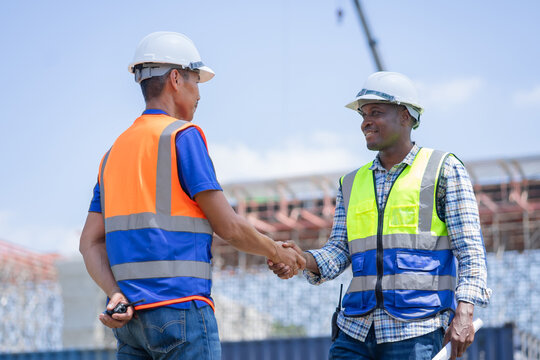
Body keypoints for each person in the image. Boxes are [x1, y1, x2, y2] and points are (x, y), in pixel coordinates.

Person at [79, 31, 305, 360]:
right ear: (175, 78)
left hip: (129, 322)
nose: (199, 93)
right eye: (196, 81)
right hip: (181, 312)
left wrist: (114, 292)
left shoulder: (112, 154)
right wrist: (278, 252)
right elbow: (227, 226)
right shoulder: (183, 137)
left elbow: (89, 243)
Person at [269, 71, 491, 360]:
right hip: (355, 331)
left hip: (416, 330)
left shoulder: (444, 170)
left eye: (376, 112)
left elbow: (471, 250)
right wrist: (301, 260)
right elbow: (339, 251)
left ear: (405, 116)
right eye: (363, 114)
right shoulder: (351, 183)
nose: (365, 122)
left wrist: (465, 310)